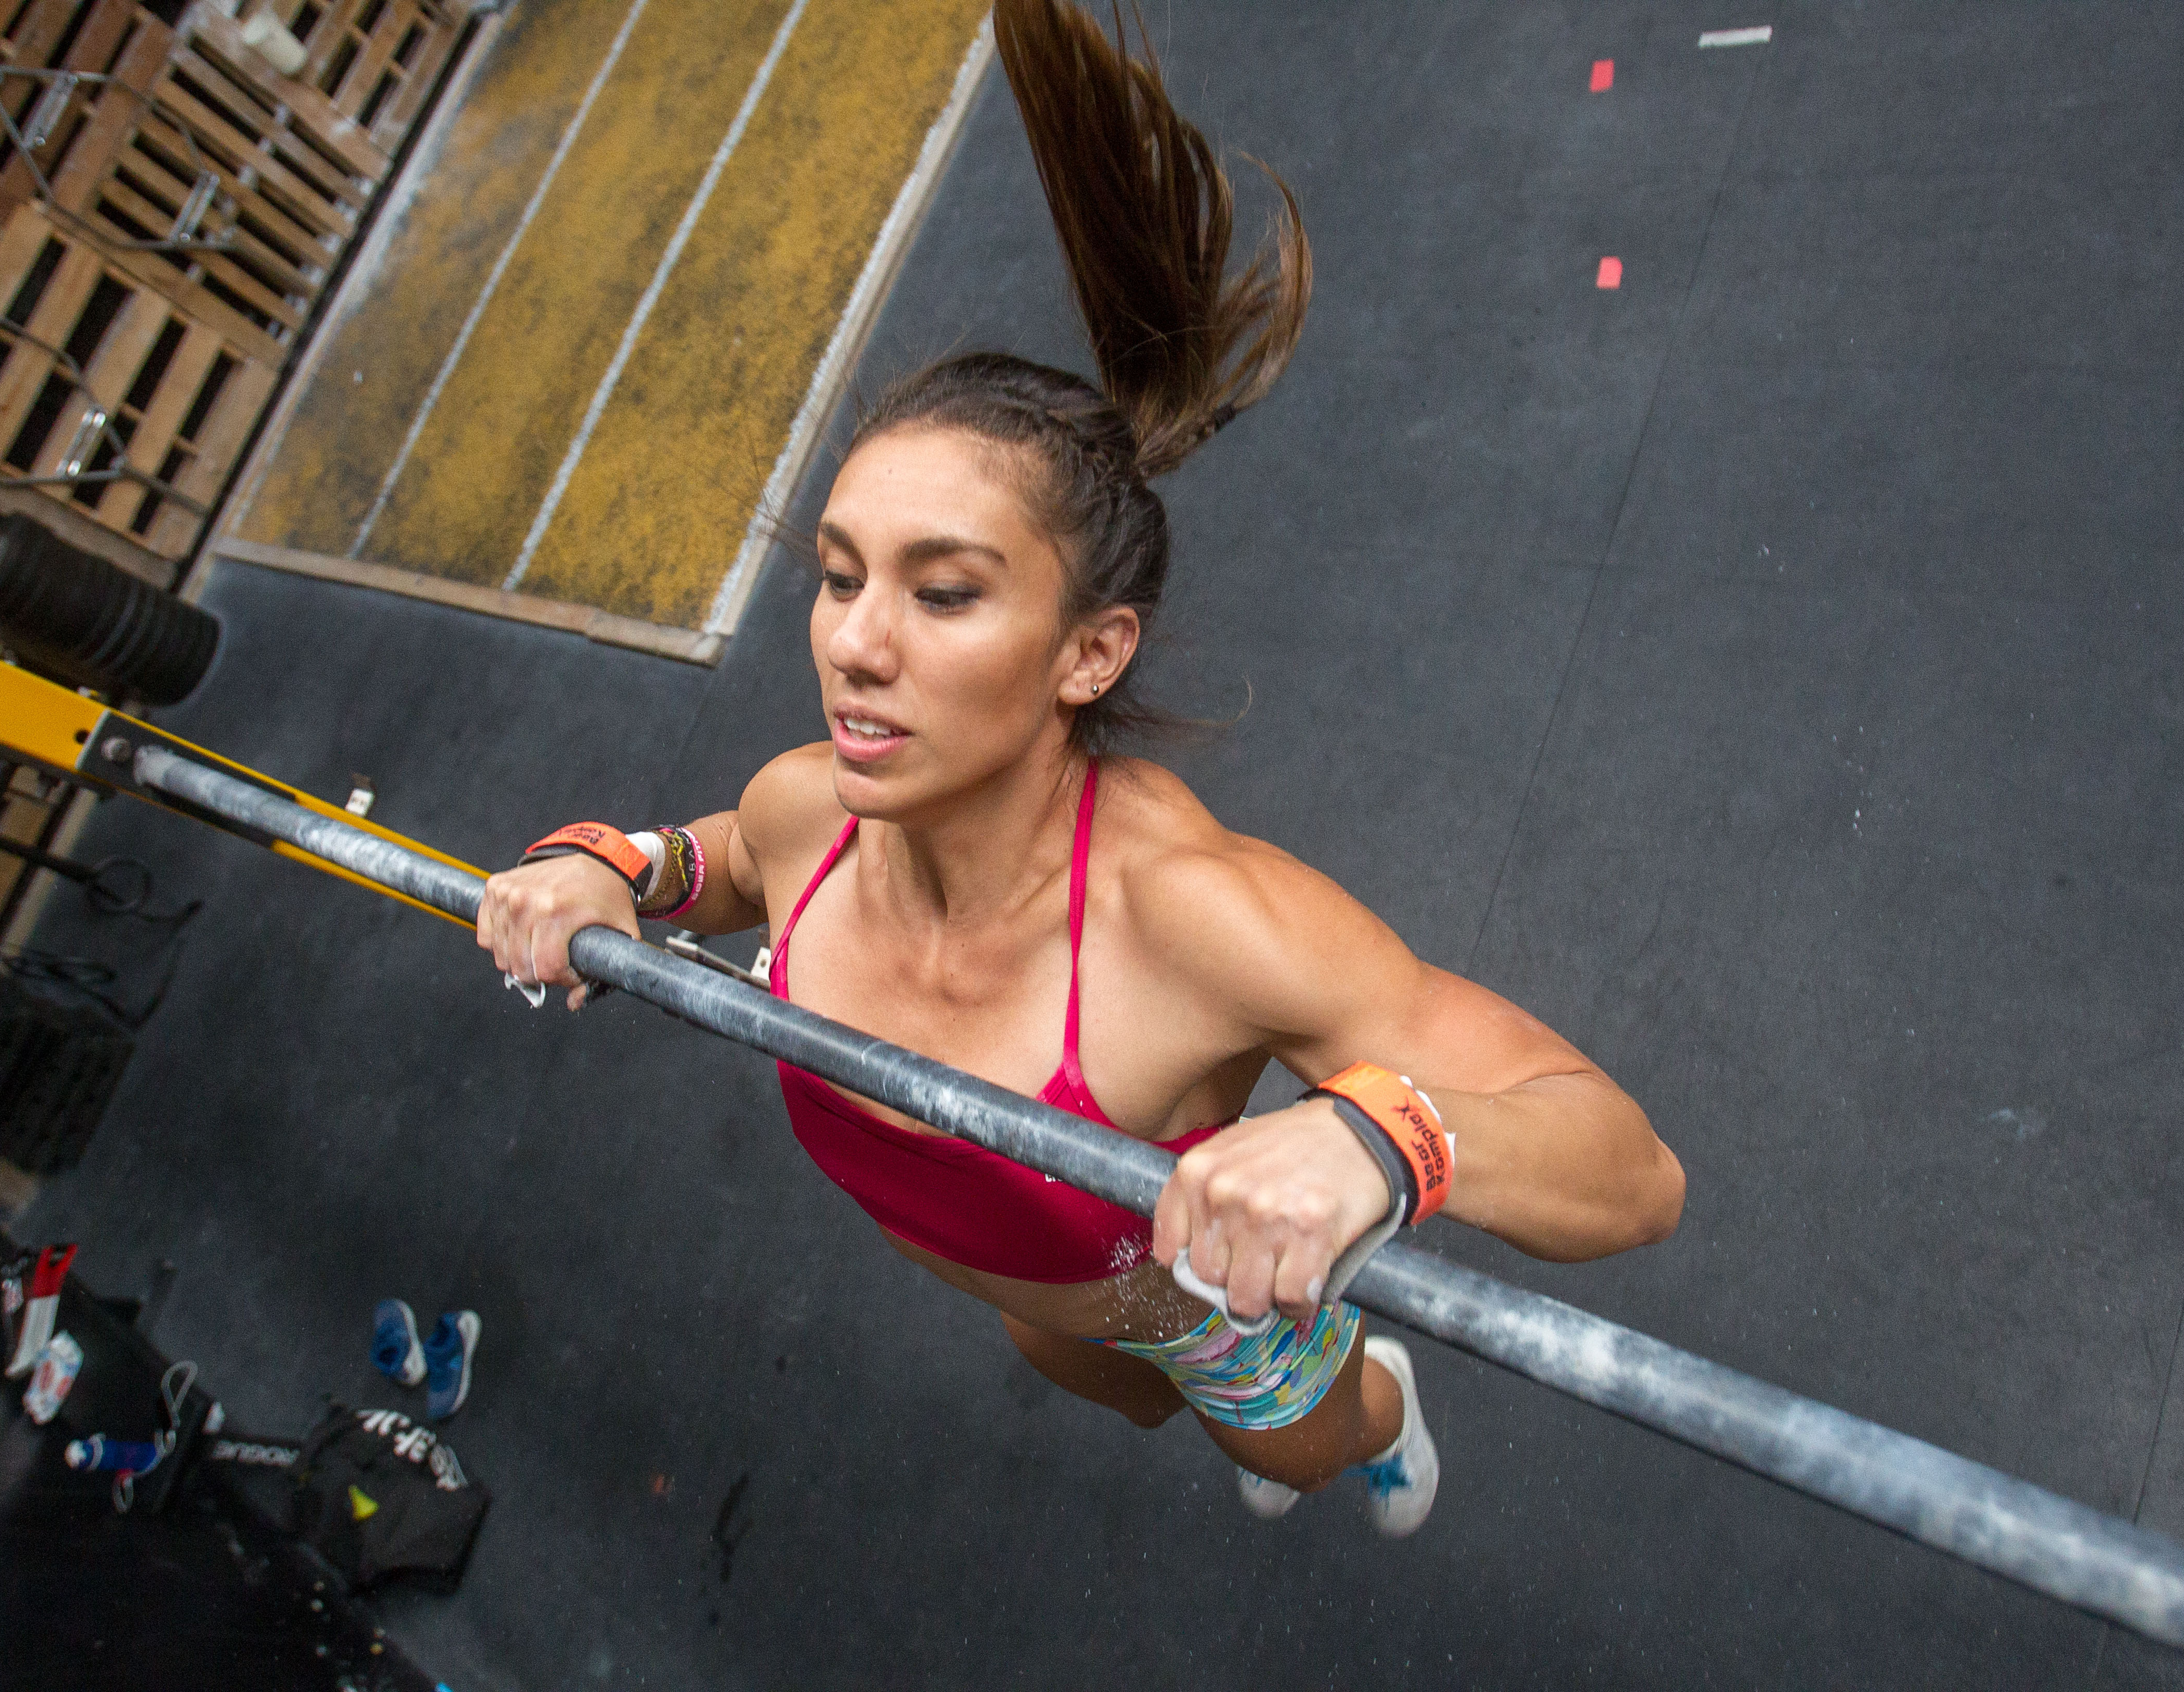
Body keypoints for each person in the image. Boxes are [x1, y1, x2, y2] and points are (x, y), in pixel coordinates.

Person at [475, 0, 1683, 1535]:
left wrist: (1386, 1137)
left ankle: (1374, 1406)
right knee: (1110, 1394)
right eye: (840, 577)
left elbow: (1631, 1171)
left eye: (945, 592)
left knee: (1287, 1454)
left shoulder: (1195, 920)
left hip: (1189, 1295)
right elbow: (722, 858)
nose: (854, 642)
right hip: (1039, 1294)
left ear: (1088, 654)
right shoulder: (812, 811)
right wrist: (615, 869)